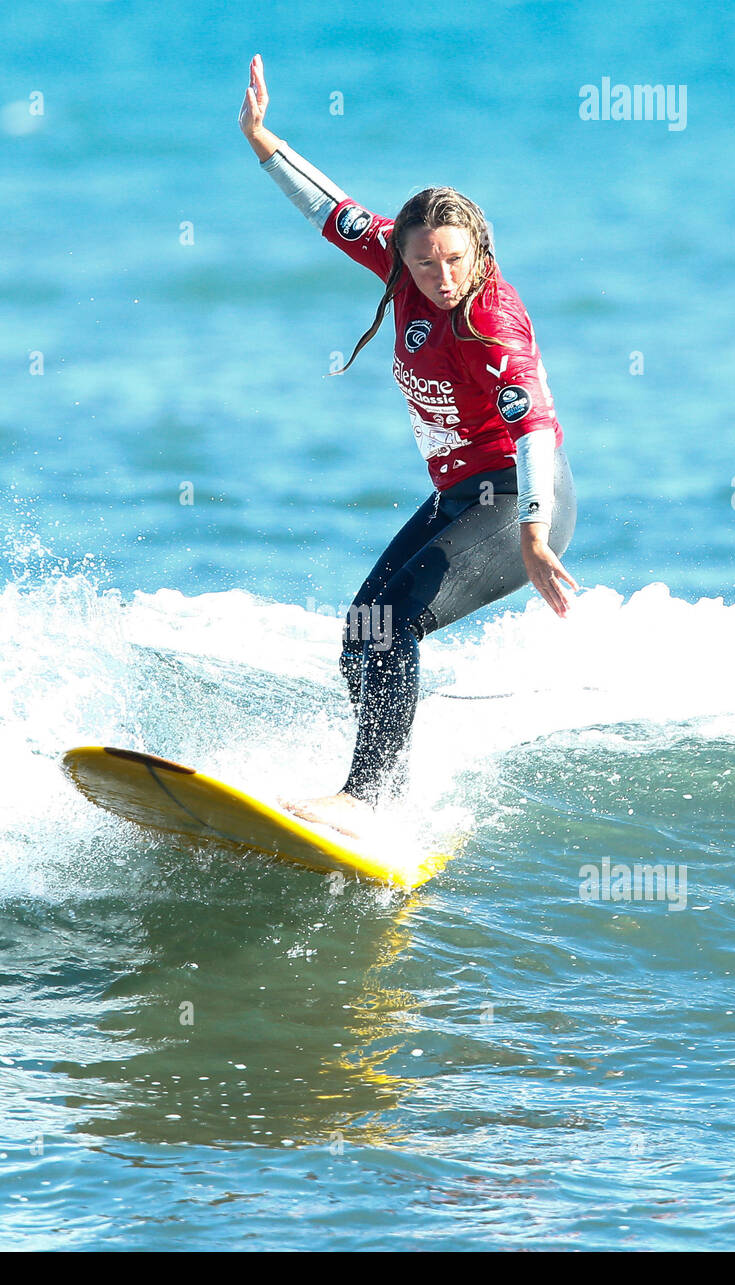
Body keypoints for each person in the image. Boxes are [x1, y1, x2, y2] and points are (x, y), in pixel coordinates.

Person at [239, 54, 577, 838]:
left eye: (455, 259)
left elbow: (533, 427)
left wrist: (531, 530)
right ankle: (386, 783)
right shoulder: (405, 263)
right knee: (361, 636)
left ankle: (368, 797)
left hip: (521, 498)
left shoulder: (492, 321)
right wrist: (261, 138)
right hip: (461, 495)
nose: (439, 275)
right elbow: (335, 211)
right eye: (424, 261)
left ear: (480, 250)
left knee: (391, 624)